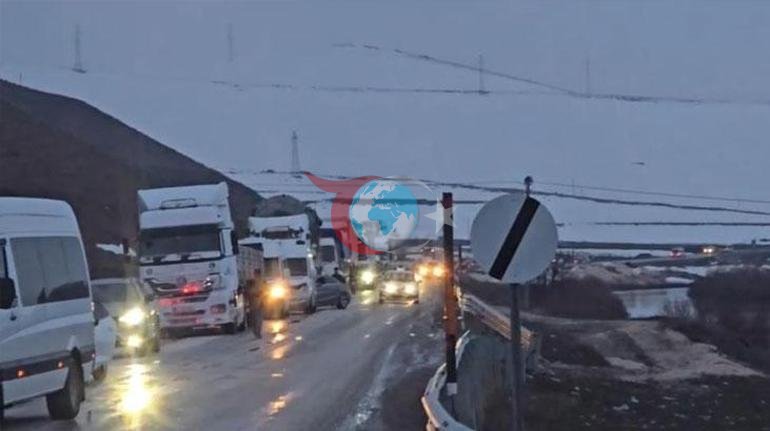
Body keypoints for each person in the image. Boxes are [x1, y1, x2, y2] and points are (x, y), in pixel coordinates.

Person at [247, 268, 264, 339]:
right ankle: (257, 333)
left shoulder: (259, 282)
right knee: (256, 319)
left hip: (257, 303)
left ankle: (257, 333)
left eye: (255, 273)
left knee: (257, 319)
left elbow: (260, 292)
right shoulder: (254, 281)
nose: (255, 275)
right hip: (255, 304)